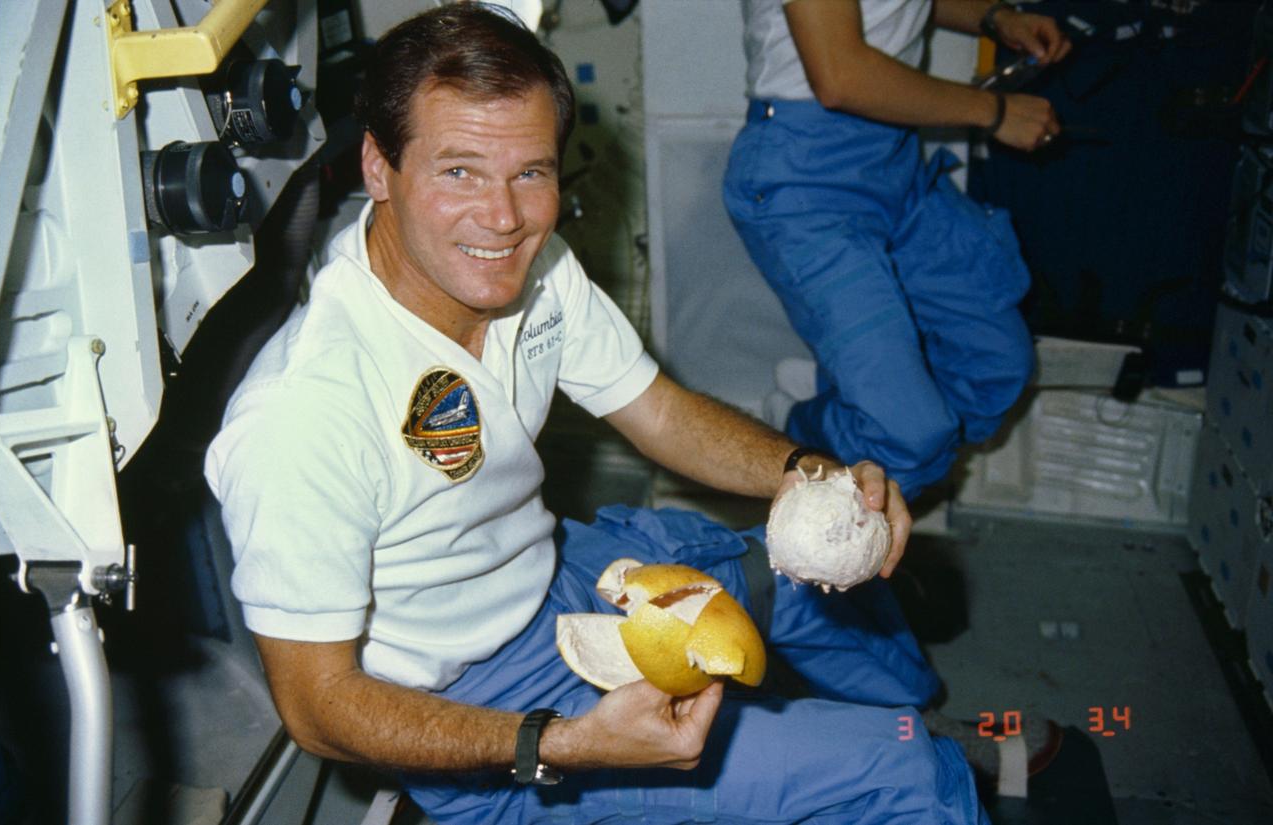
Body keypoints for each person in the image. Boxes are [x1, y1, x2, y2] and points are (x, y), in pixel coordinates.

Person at [205, 5, 1023, 822]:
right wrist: (558, 743)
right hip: (491, 712)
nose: (504, 218)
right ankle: (914, 753)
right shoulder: (303, 410)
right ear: (378, 168)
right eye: (459, 171)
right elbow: (317, 706)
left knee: (822, 584)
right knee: (916, 780)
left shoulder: (530, 267)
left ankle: (914, 713)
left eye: (530, 172)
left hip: (561, 574)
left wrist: (809, 474)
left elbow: (659, 412)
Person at [723, 0, 1073, 500]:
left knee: (995, 367)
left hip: (893, 160)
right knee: (909, 437)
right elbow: (840, 76)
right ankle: (803, 430)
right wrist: (993, 113)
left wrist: (993, 18)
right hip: (805, 177)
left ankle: (856, 414)